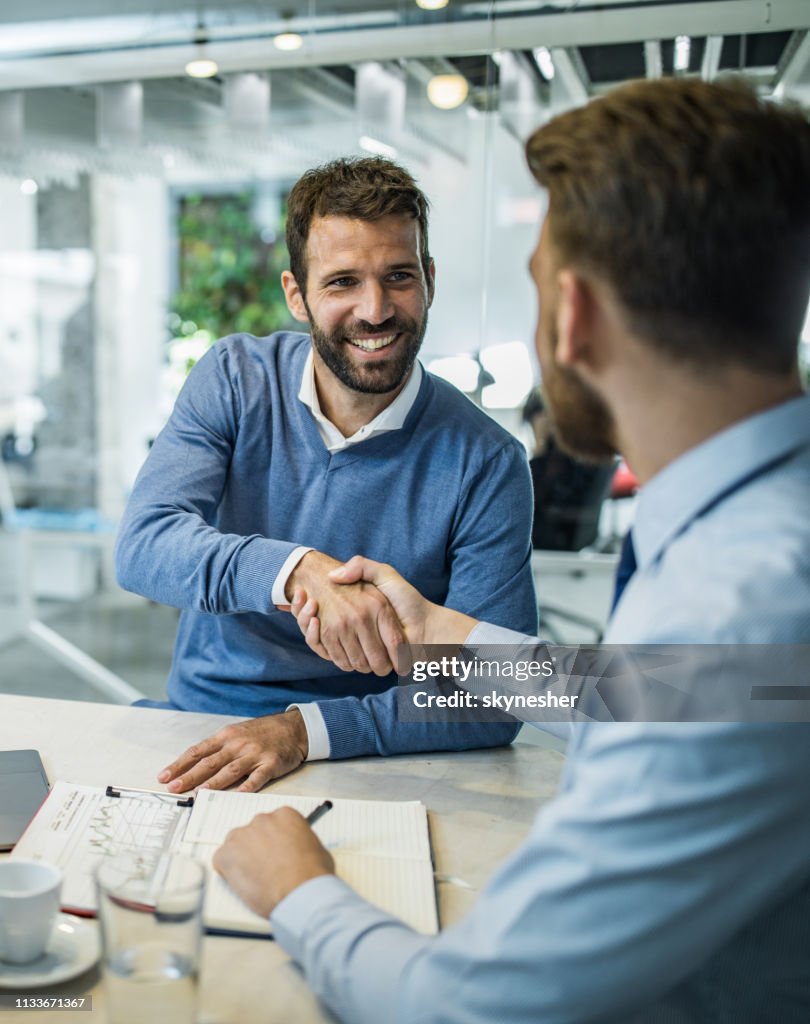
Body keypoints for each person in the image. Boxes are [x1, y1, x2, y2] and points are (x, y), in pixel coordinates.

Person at [213, 78, 810, 1022]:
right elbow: (680, 694)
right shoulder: (761, 545)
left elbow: (475, 1008)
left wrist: (298, 891)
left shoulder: (740, 598)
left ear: (572, 315)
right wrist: (447, 631)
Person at [114, 157, 537, 792]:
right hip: (200, 725)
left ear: (428, 278)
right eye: (342, 282)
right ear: (296, 294)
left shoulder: (487, 461)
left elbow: (494, 698)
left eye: (398, 276)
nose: (375, 310)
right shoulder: (236, 379)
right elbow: (144, 546)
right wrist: (298, 572)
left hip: (368, 744)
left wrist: (304, 730)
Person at [522, 386, 614, 550]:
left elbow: (536, 507)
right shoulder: (579, 462)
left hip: (555, 546)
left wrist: (541, 452)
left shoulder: (577, 466)